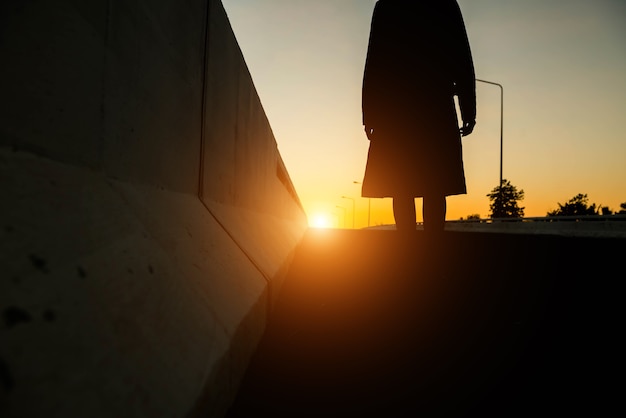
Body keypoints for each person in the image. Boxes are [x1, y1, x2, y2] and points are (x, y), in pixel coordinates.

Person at [361, 0, 476, 235]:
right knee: (435, 182)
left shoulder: (386, 6)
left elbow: (374, 60)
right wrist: (468, 108)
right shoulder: (444, 6)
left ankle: (408, 248)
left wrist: (370, 113)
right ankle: (432, 246)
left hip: (395, 108)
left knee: (401, 182)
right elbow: (462, 56)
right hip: (434, 104)